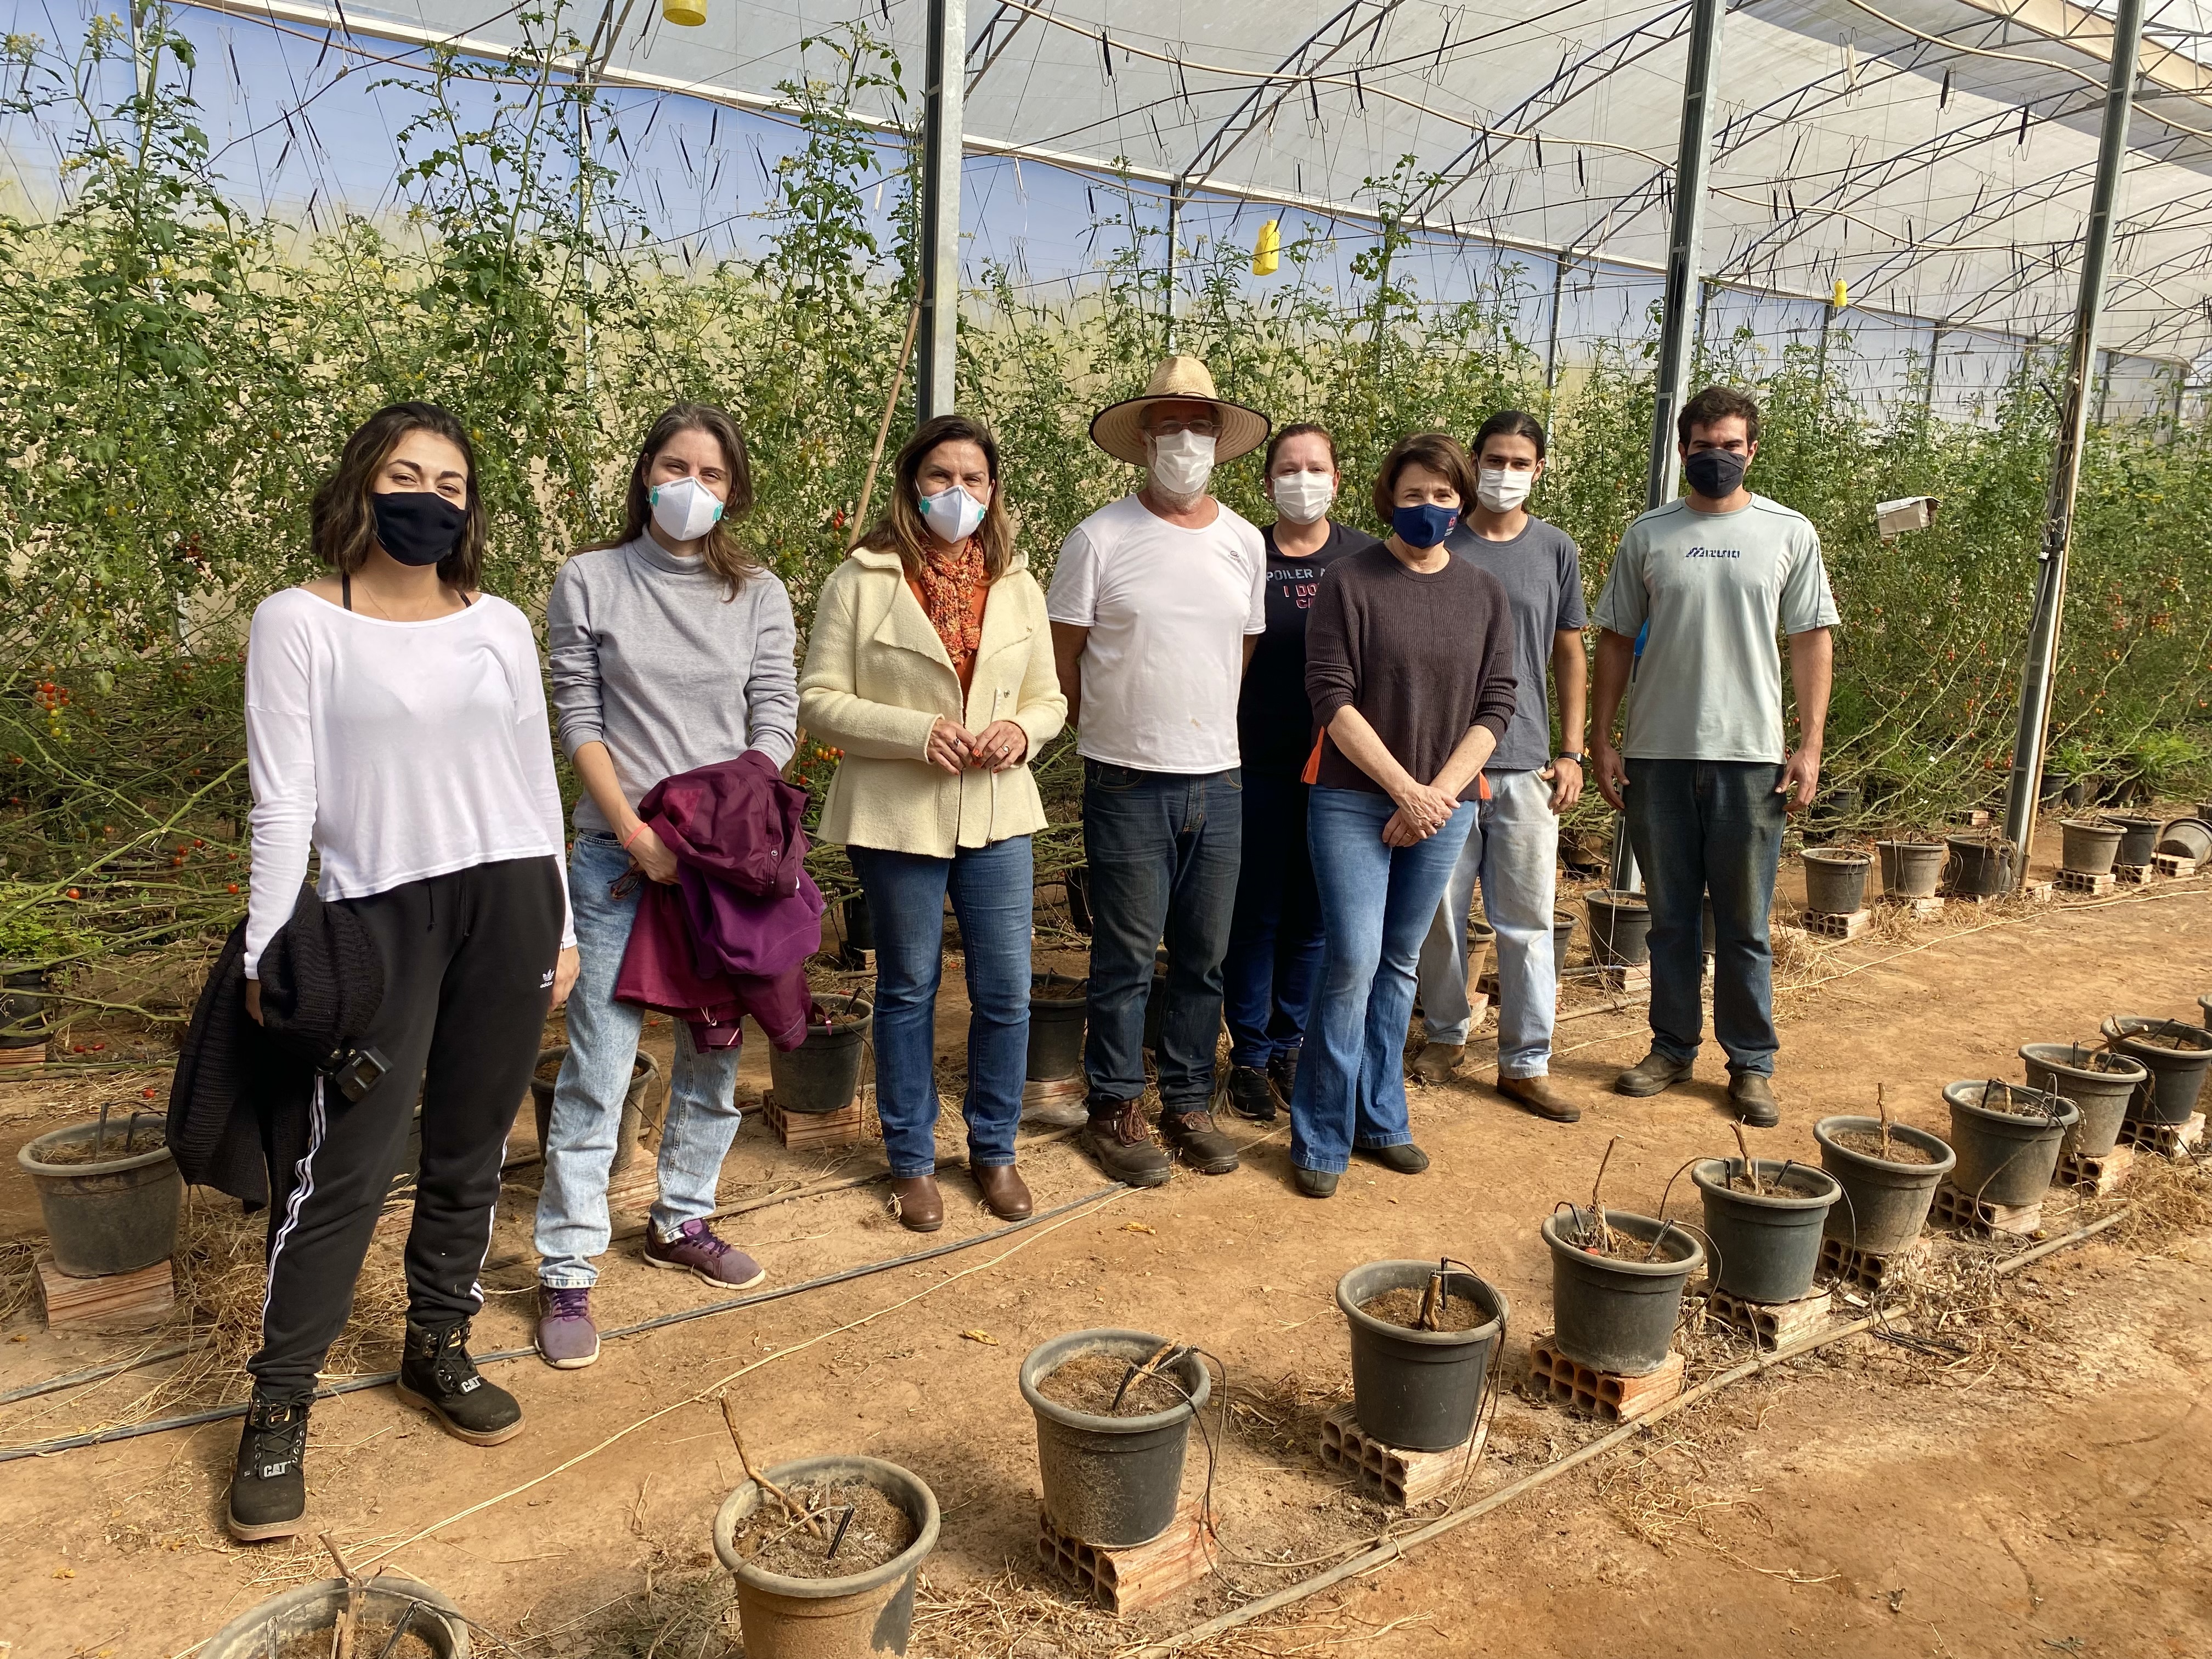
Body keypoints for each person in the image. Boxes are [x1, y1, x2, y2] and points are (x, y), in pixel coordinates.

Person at [228, 402, 577, 1541]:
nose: (430, 498)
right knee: (349, 1160)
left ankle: (438, 1342)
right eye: (406, 475)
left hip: (509, 900)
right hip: (377, 913)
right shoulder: (298, 621)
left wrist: (564, 925)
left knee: (473, 1142)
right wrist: (267, 944)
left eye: (452, 484)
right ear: (361, 487)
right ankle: (279, 1403)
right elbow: (283, 797)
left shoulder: (500, 624)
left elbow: (534, 779)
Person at [534, 403, 799, 1370]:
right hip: (621, 861)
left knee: (715, 1050)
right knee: (601, 1064)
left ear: (733, 489)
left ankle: (682, 1216)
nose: (693, 485)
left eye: (712, 472)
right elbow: (579, 716)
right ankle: (567, 1265)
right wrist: (637, 832)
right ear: (645, 474)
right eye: (675, 466)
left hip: (723, 867)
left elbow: (775, 714)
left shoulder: (758, 592)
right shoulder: (590, 579)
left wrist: (726, 821)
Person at [799, 414, 1066, 1232]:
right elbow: (819, 700)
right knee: (909, 987)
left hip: (998, 810)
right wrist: (915, 733)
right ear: (913, 486)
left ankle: (994, 1148)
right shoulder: (863, 579)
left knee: (1006, 991)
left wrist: (1022, 731)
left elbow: (1049, 698)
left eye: (972, 478)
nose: (958, 492)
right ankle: (912, 1159)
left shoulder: (1017, 584)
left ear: (993, 489)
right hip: (898, 816)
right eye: (941, 477)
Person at [1047, 356, 1271, 1186]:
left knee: (1205, 955)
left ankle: (1186, 1099)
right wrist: (1113, 728)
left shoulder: (1243, 542)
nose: (1185, 441)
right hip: (1128, 778)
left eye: (1199, 426)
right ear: (1143, 439)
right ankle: (1114, 1104)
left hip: (1220, 776)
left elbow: (1241, 649)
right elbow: (1064, 659)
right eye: (1169, 425)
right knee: (1127, 956)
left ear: (1219, 439)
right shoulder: (1099, 539)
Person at [1588, 386, 1838, 1128]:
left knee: (1744, 926)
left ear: (1752, 450)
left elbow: (1810, 640)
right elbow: (1613, 639)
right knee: (1668, 919)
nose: (1717, 457)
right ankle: (1671, 1048)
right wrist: (1602, 738)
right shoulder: (1650, 535)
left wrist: (1810, 745)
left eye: (1731, 445)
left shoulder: (1787, 533)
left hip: (1750, 759)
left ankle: (1751, 1063)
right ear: (1682, 450)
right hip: (1659, 754)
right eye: (1703, 446)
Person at [1291, 433, 1517, 1197]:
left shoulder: (1484, 593)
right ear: (1389, 496)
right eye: (1414, 493)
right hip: (1352, 799)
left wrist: (1437, 797)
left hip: (1445, 805)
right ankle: (1321, 1135)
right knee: (1353, 959)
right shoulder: (1349, 581)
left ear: (1462, 502)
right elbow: (1330, 695)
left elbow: (1497, 703)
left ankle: (1381, 1118)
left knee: (1399, 962)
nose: (1429, 507)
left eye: (1443, 495)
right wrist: (1404, 792)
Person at [1410, 411, 1588, 1122]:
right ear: (1473, 463)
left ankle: (1526, 1062)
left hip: (1525, 765)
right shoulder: (1440, 540)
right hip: (1445, 769)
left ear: (1539, 470)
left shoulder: (1555, 550)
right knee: (1439, 913)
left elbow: (1570, 652)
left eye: (1520, 462)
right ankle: (1446, 1034)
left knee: (1526, 921)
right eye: (1494, 459)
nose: (1505, 473)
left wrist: (1571, 751)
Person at [1220, 424, 1380, 1124]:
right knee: (1254, 913)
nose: (1303, 480)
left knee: (1313, 915)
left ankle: (1291, 1044)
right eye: (1289, 469)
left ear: (1337, 481)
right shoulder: (1242, 552)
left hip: (1339, 770)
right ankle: (1249, 1056)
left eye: (1317, 468)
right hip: (1252, 761)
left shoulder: (1365, 560)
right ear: (1267, 483)